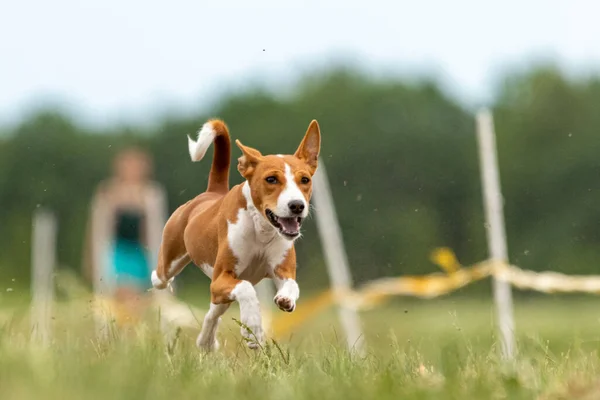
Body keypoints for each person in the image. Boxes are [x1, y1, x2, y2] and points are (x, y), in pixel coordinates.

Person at [83, 147, 168, 329]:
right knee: (118, 294)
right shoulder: (108, 192)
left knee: (139, 298)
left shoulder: (152, 193)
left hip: (141, 254)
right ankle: (118, 332)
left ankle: (132, 333)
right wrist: (91, 258)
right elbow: (97, 229)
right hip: (117, 252)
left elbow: (157, 230)